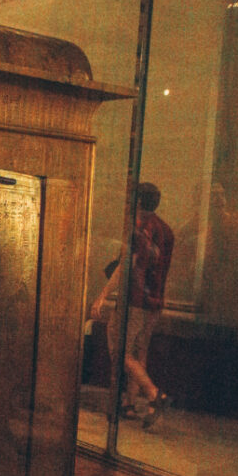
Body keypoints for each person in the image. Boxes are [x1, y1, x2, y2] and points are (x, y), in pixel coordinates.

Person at [90, 182, 174, 429]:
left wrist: (103, 295)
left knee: (119, 349)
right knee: (139, 352)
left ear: (137, 202)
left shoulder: (139, 229)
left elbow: (126, 266)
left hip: (135, 301)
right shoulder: (166, 230)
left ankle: (154, 394)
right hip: (154, 303)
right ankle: (129, 403)